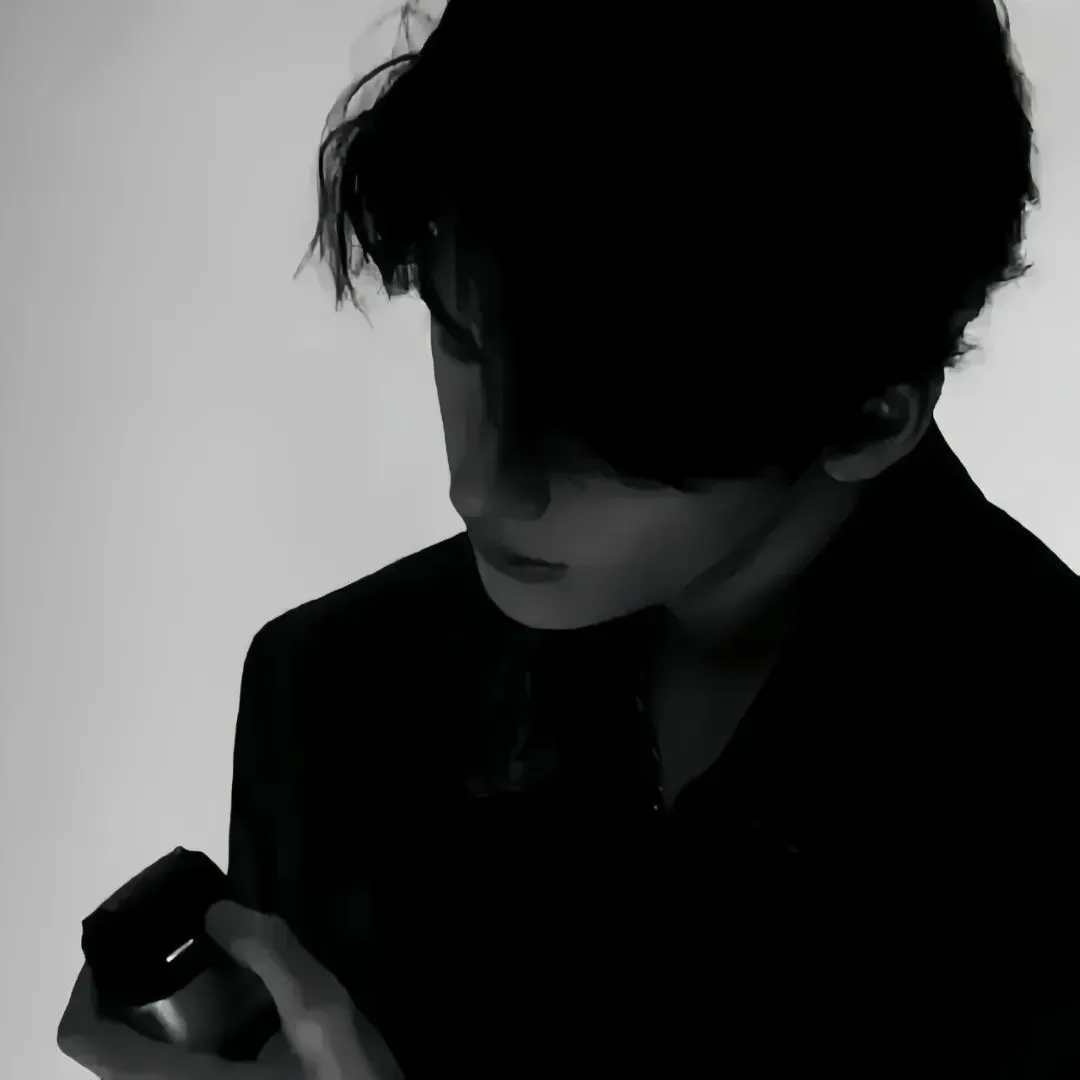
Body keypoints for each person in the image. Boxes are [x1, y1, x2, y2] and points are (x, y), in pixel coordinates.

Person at [58, 1, 1080, 1077]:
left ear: (867, 418)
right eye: (460, 339)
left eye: (598, 428)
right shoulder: (332, 691)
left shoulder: (1051, 816)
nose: (481, 484)